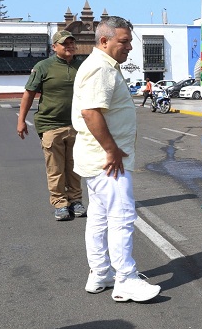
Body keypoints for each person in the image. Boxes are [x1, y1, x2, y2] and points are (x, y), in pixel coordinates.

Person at [72, 16, 161, 302]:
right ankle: (126, 279)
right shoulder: (100, 69)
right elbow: (91, 113)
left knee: (99, 218)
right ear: (104, 41)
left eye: (130, 41)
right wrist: (111, 150)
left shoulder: (105, 66)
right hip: (107, 160)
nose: (130, 47)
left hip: (98, 158)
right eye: (124, 41)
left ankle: (100, 273)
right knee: (122, 217)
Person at [17, 30, 85, 221]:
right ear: (54, 47)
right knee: (55, 168)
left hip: (77, 125)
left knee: (75, 167)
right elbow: (29, 93)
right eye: (65, 43)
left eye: (72, 43)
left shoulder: (82, 66)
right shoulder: (43, 67)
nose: (69, 46)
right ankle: (60, 203)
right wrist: (21, 120)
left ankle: (76, 200)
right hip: (50, 125)